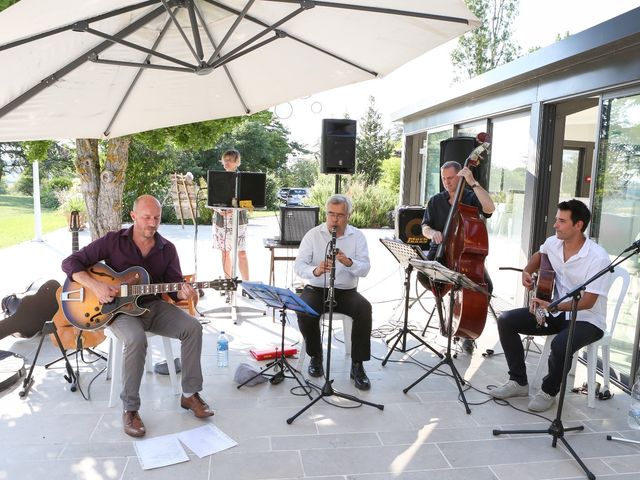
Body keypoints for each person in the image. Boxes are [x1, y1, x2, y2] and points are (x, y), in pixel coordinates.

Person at [61, 195, 213, 438]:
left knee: (192, 327)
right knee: (136, 339)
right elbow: (70, 263)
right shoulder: (113, 241)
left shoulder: (167, 249)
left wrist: (185, 291)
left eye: (156, 218)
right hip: (119, 312)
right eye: (146, 217)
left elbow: (174, 289)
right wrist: (96, 286)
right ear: (133, 217)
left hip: (152, 307)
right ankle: (130, 409)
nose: (152, 223)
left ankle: (189, 395)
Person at [489, 199, 611, 412]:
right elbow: (539, 256)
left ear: (578, 225)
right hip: (554, 310)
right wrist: (527, 272)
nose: (555, 225)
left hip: (588, 319)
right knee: (506, 320)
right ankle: (518, 381)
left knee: (560, 345)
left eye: (562, 221)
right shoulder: (553, 242)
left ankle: (549, 391)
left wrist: (554, 306)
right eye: (556, 219)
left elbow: (588, 301)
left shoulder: (597, 257)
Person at [294, 194, 373, 390]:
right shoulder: (313, 234)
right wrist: (316, 270)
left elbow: (365, 269)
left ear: (348, 215)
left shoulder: (357, 236)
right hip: (317, 288)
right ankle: (316, 356)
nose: (334, 220)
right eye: (331, 214)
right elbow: (299, 266)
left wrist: (349, 262)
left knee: (364, 308)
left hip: (346, 291)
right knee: (304, 309)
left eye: (340, 215)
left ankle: (358, 365)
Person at [420, 160, 495, 353]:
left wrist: (473, 182)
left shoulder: (470, 198)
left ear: (459, 176)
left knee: (486, 286)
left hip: (465, 257)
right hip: (442, 254)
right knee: (424, 275)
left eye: (451, 178)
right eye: (444, 179)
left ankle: (466, 331)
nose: (447, 182)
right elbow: (425, 226)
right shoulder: (436, 200)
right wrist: (432, 233)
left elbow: (489, 208)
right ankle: (443, 311)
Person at [213, 148, 249, 280]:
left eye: (229, 160)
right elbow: (212, 200)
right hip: (221, 221)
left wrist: (236, 208)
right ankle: (227, 283)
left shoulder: (244, 179)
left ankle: (247, 285)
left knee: (242, 253)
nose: (226, 163)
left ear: (237, 162)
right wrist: (219, 210)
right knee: (225, 253)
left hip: (239, 220)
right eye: (224, 160)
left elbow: (250, 203)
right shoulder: (216, 179)